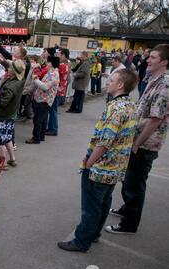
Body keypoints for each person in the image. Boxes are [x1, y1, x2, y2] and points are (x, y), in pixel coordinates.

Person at [58, 69, 139, 252]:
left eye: (112, 79)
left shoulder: (115, 108)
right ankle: (94, 234)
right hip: (115, 167)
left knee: (91, 206)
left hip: (101, 167)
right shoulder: (130, 105)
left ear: (120, 85)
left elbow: (105, 142)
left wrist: (89, 162)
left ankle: (82, 241)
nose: (108, 81)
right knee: (103, 202)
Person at [106, 44, 169, 235]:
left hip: (145, 143)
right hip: (137, 139)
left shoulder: (165, 85)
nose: (148, 60)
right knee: (129, 179)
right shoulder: (153, 79)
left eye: (153, 58)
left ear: (165, 62)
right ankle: (127, 208)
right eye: (149, 57)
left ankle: (129, 224)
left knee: (135, 183)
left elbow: (155, 119)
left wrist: (137, 143)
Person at [0, 59, 26, 166]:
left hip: (2, 115)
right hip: (10, 114)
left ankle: (2, 163)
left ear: (14, 72)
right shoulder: (18, 81)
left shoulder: (11, 86)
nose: (8, 68)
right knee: (7, 138)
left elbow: (3, 102)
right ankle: (12, 159)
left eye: (10, 68)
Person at [26, 56, 60, 144]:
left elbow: (45, 87)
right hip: (43, 99)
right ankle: (41, 136)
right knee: (43, 119)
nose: (46, 63)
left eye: (47, 62)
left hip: (44, 100)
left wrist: (35, 79)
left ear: (51, 63)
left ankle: (36, 138)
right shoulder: (51, 72)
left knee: (37, 120)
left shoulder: (53, 74)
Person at [46, 48, 70, 136]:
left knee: (53, 110)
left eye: (59, 54)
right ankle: (51, 127)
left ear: (63, 55)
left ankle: (53, 129)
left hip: (57, 90)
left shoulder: (62, 65)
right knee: (53, 110)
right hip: (61, 90)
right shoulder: (67, 64)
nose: (57, 55)